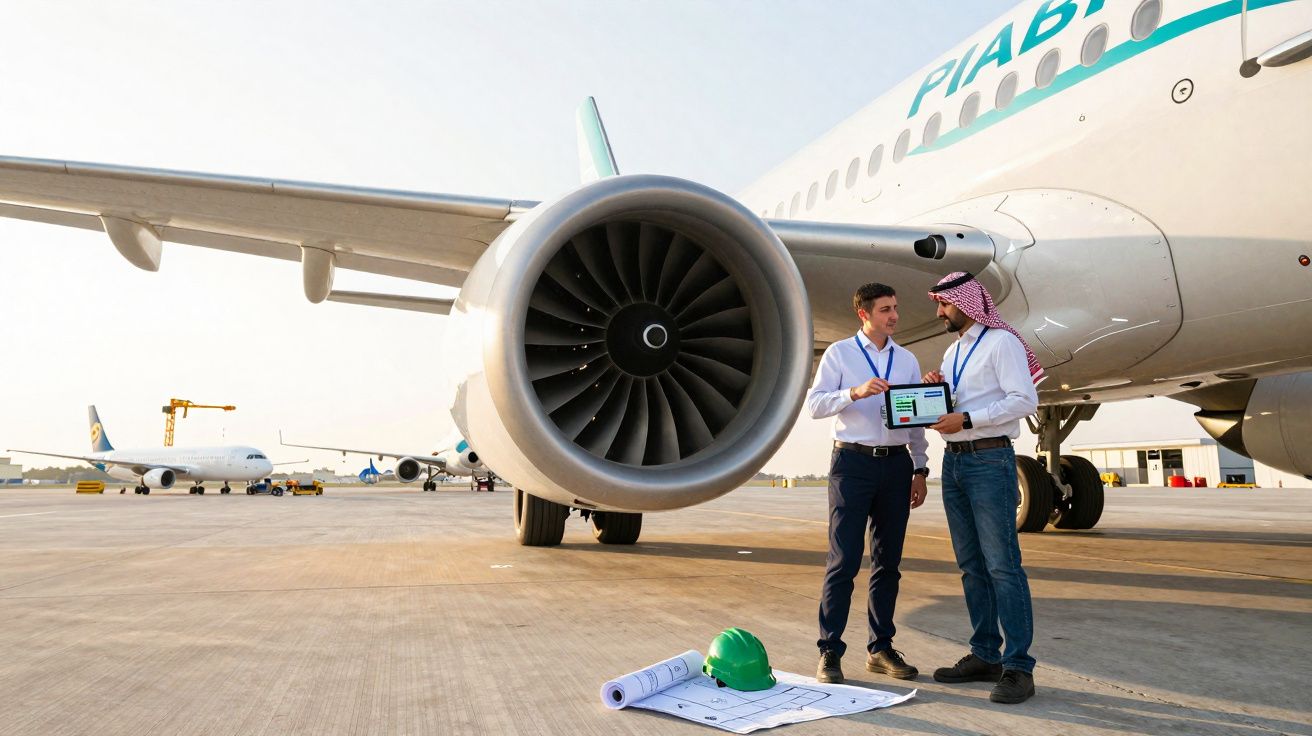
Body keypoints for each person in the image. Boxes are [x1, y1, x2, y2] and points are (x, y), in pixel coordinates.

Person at [922, 271, 1041, 704]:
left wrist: (967, 420)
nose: (939, 311)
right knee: (972, 565)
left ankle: (1019, 667)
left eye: (944, 304)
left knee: (1003, 566)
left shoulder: (1001, 343)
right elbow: (959, 407)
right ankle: (985, 655)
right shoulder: (953, 352)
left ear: (967, 302)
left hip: (990, 460)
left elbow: (1024, 400)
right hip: (954, 464)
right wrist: (940, 394)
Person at [805, 282, 929, 684]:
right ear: (864, 314)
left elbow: (912, 419)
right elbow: (815, 404)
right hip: (852, 463)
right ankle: (829, 651)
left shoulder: (906, 359)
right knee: (843, 561)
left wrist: (920, 468)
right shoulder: (840, 353)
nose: (893, 316)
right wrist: (853, 393)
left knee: (888, 563)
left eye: (895, 308)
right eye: (884, 310)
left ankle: (880, 648)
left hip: (895, 466)